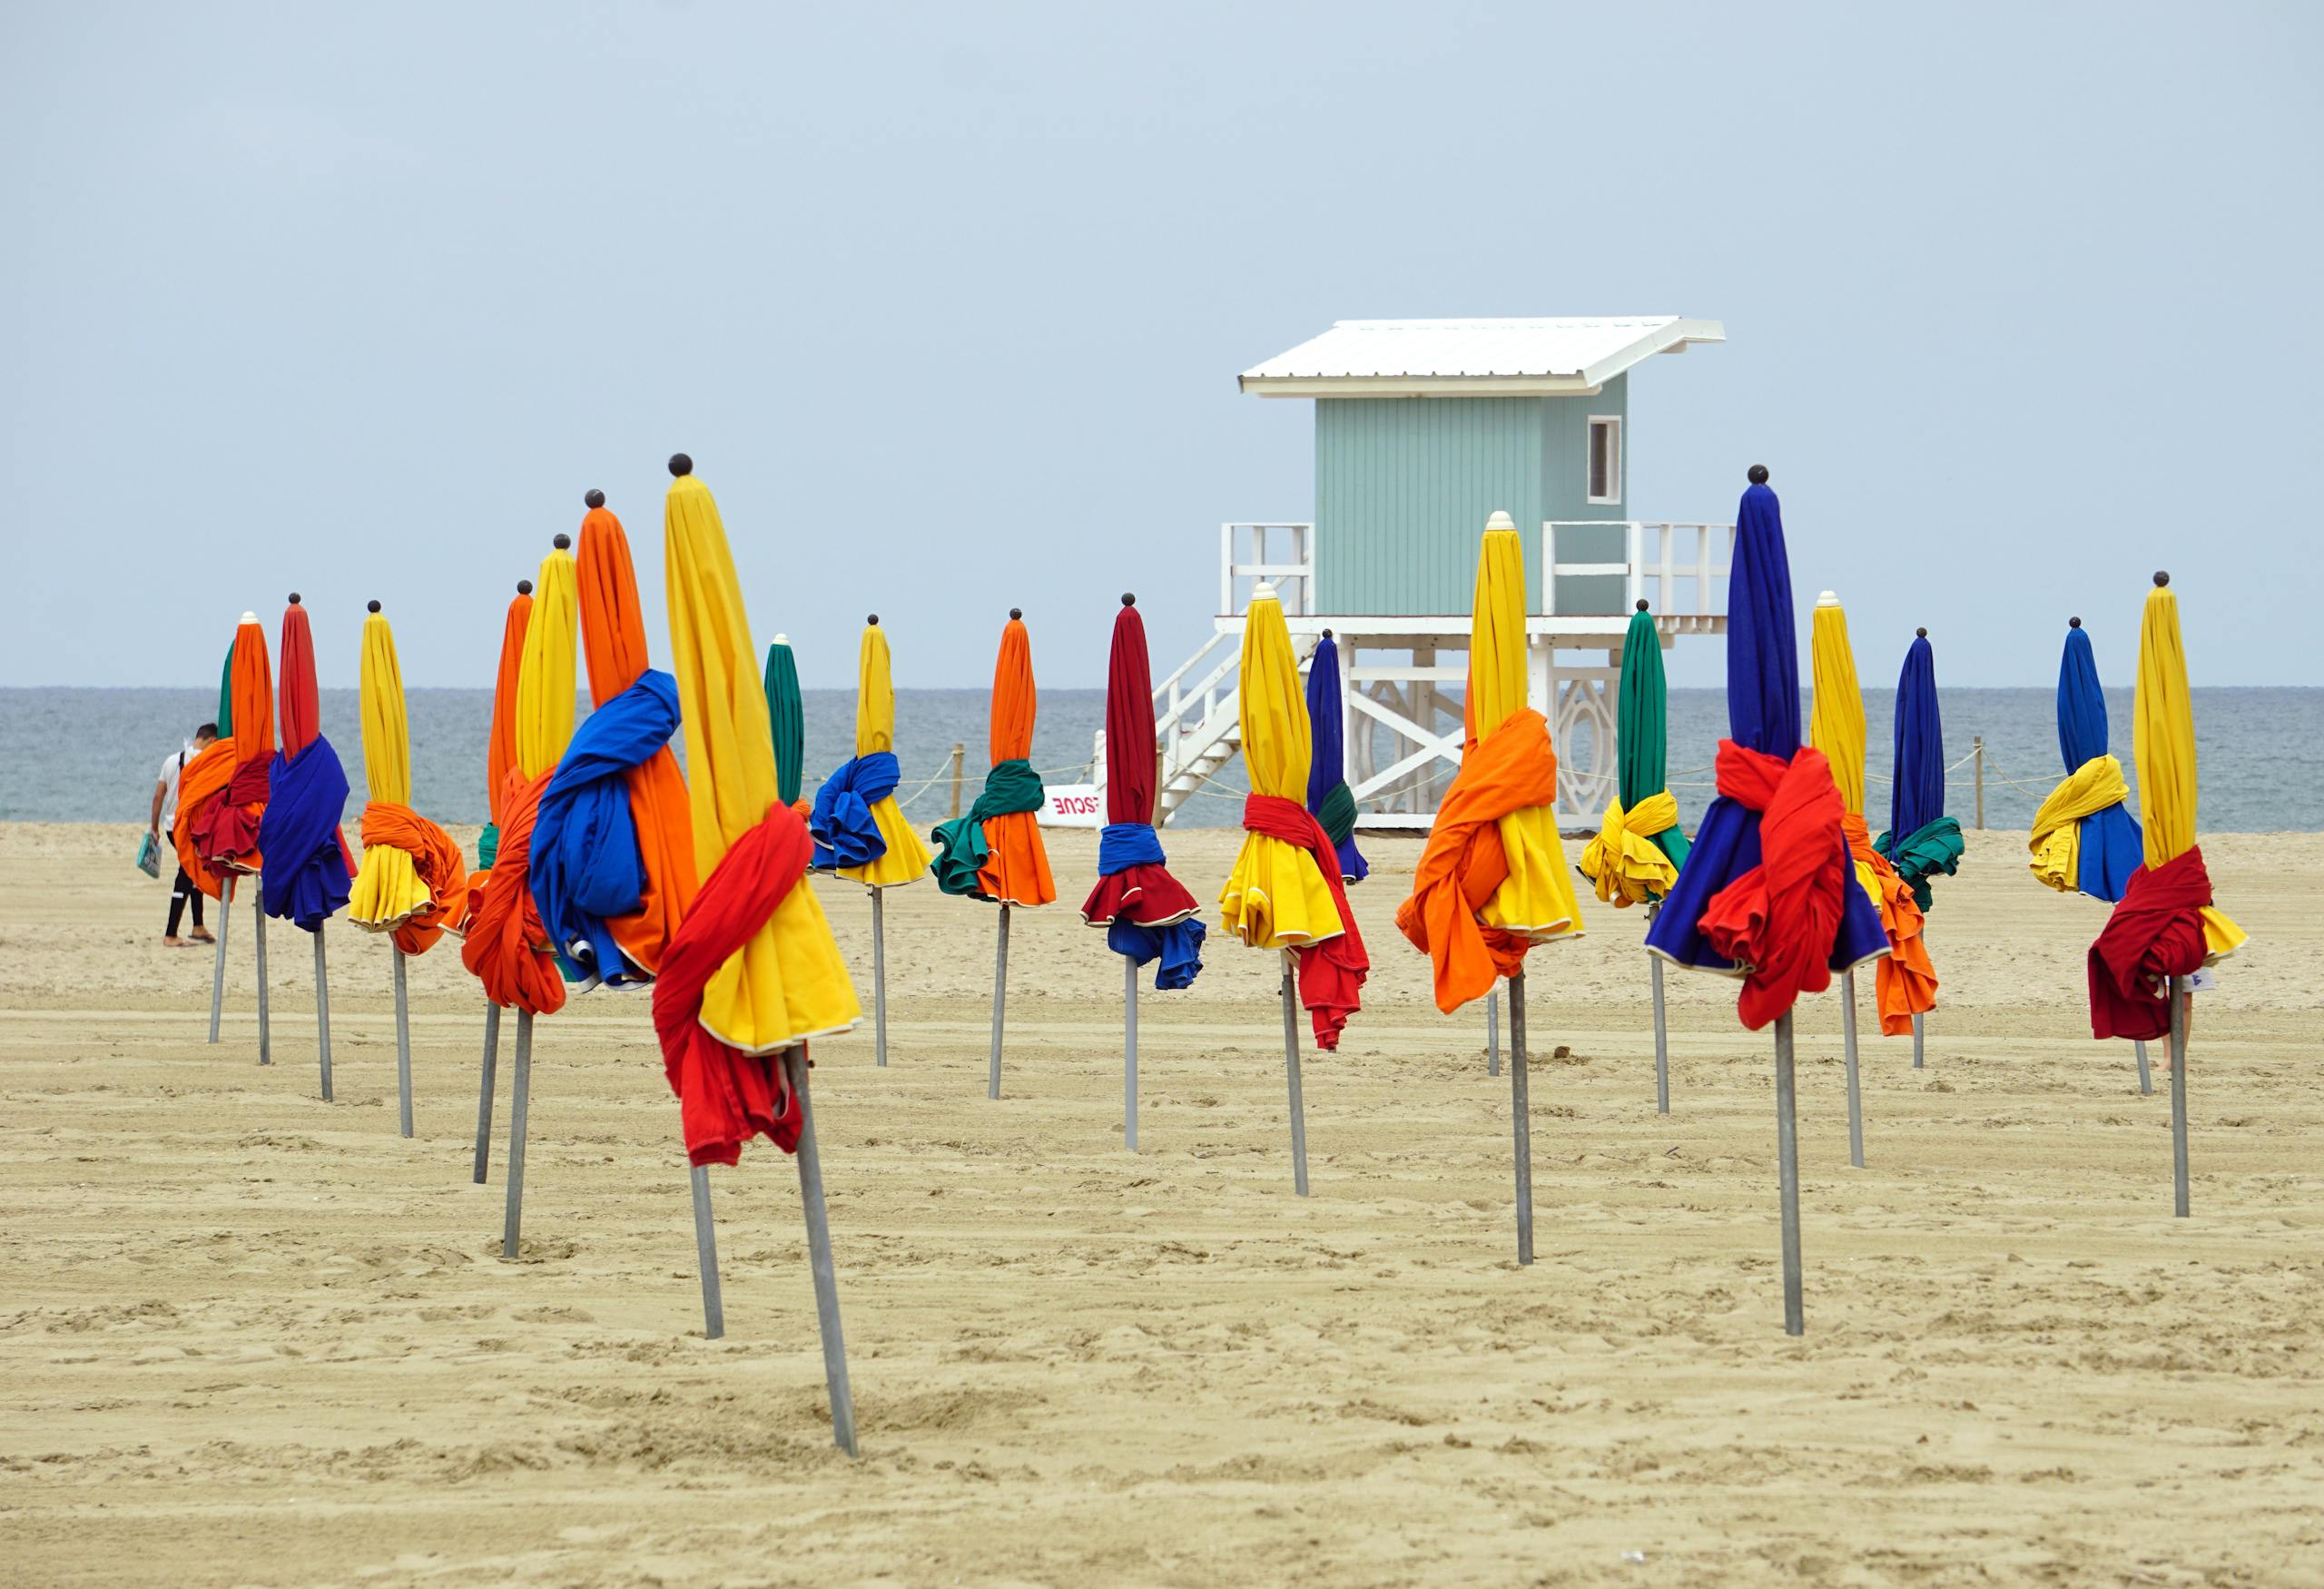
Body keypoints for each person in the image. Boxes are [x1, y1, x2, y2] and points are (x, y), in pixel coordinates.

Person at [154, 723, 220, 947]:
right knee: (186, 874)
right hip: (190, 829)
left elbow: (158, 796)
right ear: (212, 741)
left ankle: (198, 926)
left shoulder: (171, 760)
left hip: (171, 827)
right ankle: (171, 934)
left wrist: (154, 828)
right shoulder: (205, 763)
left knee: (194, 872)